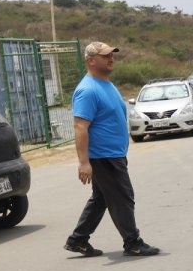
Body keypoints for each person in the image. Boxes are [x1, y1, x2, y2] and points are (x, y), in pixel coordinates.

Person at [65, 42, 159, 257]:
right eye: (105, 56)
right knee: (123, 197)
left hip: (114, 154)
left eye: (111, 55)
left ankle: (78, 239)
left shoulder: (106, 84)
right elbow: (80, 127)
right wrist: (84, 162)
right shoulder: (87, 90)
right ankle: (132, 242)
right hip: (103, 156)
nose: (111, 59)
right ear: (91, 60)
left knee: (101, 198)